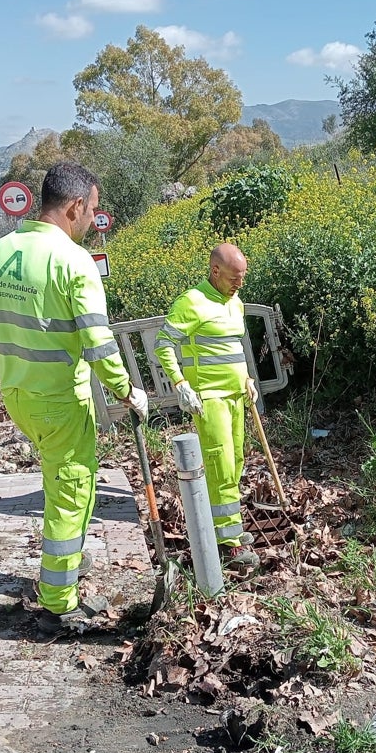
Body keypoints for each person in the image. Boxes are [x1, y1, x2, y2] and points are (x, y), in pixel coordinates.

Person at [0, 161, 148, 635]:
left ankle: (70, 558)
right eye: (93, 209)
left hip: (17, 391)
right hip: (58, 397)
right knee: (73, 490)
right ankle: (58, 597)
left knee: (58, 481)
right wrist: (127, 391)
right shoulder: (73, 262)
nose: (95, 219)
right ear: (75, 206)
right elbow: (98, 342)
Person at [154, 243, 259, 573]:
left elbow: (232, 348)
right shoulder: (192, 302)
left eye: (242, 278)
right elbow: (163, 346)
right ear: (215, 271)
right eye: (233, 278)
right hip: (210, 398)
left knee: (237, 459)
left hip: (236, 396)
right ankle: (228, 543)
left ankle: (228, 525)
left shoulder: (235, 302)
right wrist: (181, 383)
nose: (238, 284)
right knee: (221, 464)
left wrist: (248, 380)